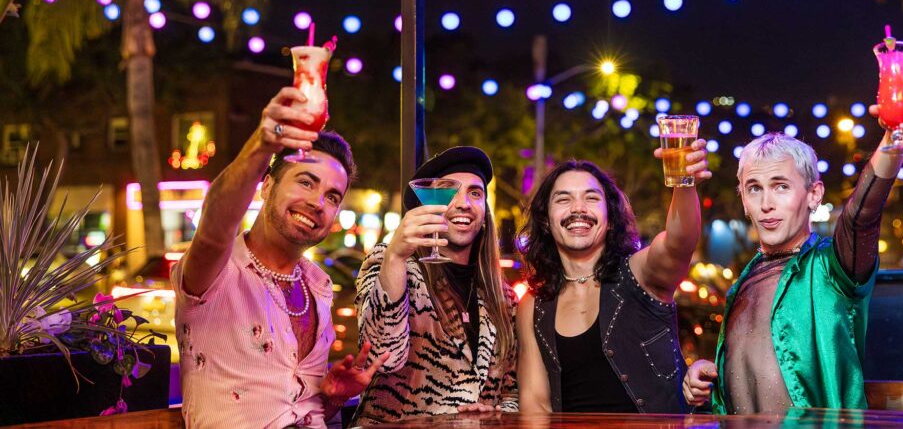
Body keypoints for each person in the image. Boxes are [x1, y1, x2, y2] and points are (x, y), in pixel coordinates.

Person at [683, 78, 903, 414]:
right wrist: (706, 376)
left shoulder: (834, 267)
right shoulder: (745, 280)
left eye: (781, 186)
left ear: (814, 195)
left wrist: (893, 140)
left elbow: (861, 216)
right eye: (754, 188)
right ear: (743, 200)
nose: (766, 202)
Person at [172, 87, 387, 429]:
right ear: (267, 186)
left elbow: (301, 409)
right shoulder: (216, 270)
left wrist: (333, 397)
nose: (318, 203)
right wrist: (264, 142)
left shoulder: (319, 285)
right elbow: (214, 226)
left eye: (332, 196)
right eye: (306, 181)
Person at [516, 142, 710, 414]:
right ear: (546, 220)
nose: (578, 208)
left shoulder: (640, 273)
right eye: (563, 199)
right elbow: (535, 405)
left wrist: (684, 184)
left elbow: (679, 242)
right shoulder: (533, 306)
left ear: (610, 217)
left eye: (591, 198)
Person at [352, 146, 517, 424]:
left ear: (484, 213)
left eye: (475, 193)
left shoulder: (502, 295)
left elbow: (512, 394)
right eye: (449, 191)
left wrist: (494, 415)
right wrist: (395, 256)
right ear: (426, 208)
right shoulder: (389, 263)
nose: (464, 203)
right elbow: (382, 357)